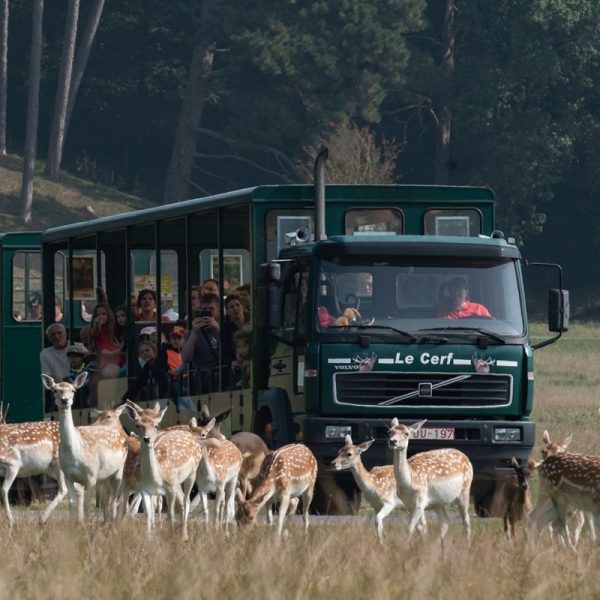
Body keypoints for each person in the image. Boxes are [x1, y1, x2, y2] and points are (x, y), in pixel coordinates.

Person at [181, 292, 225, 393]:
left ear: (218, 310)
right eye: (204, 309)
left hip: (221, 378)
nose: (207, 312)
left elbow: (231, 350)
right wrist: (195, 333)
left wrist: (217, 330)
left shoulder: (224, 329)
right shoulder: (193, 332)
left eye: (211, 309)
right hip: (201, 382)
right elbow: (185, 358)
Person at [88, 301, 125, 377]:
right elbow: (94, 333)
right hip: (107, 363)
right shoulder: (97, 330)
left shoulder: (117, 328)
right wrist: (97, 325)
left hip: (122, 360)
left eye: (104, 314)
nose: (100, 316)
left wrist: (115, 352)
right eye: (98, 315)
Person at [40, 323, 70, 410]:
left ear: (65, 334)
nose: (57, 336)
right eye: (53, 334)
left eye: (59, 333)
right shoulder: (45, 354)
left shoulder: (77, 347)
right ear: (49, 338)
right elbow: (48, 377)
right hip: (58, 390)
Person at [221, 293, 249, 366]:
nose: (235, 308)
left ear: (243, 307)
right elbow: (225, 351)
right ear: (227, 311)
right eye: (231, 307)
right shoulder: (226, 330)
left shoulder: (251, 324)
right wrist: (231, 361)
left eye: (238, 305)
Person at [64, 342, 92, 408]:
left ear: (82, 358)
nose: (74, 359)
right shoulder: (67, 373)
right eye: (71, 356)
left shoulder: (88, 370)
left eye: (77, 356)